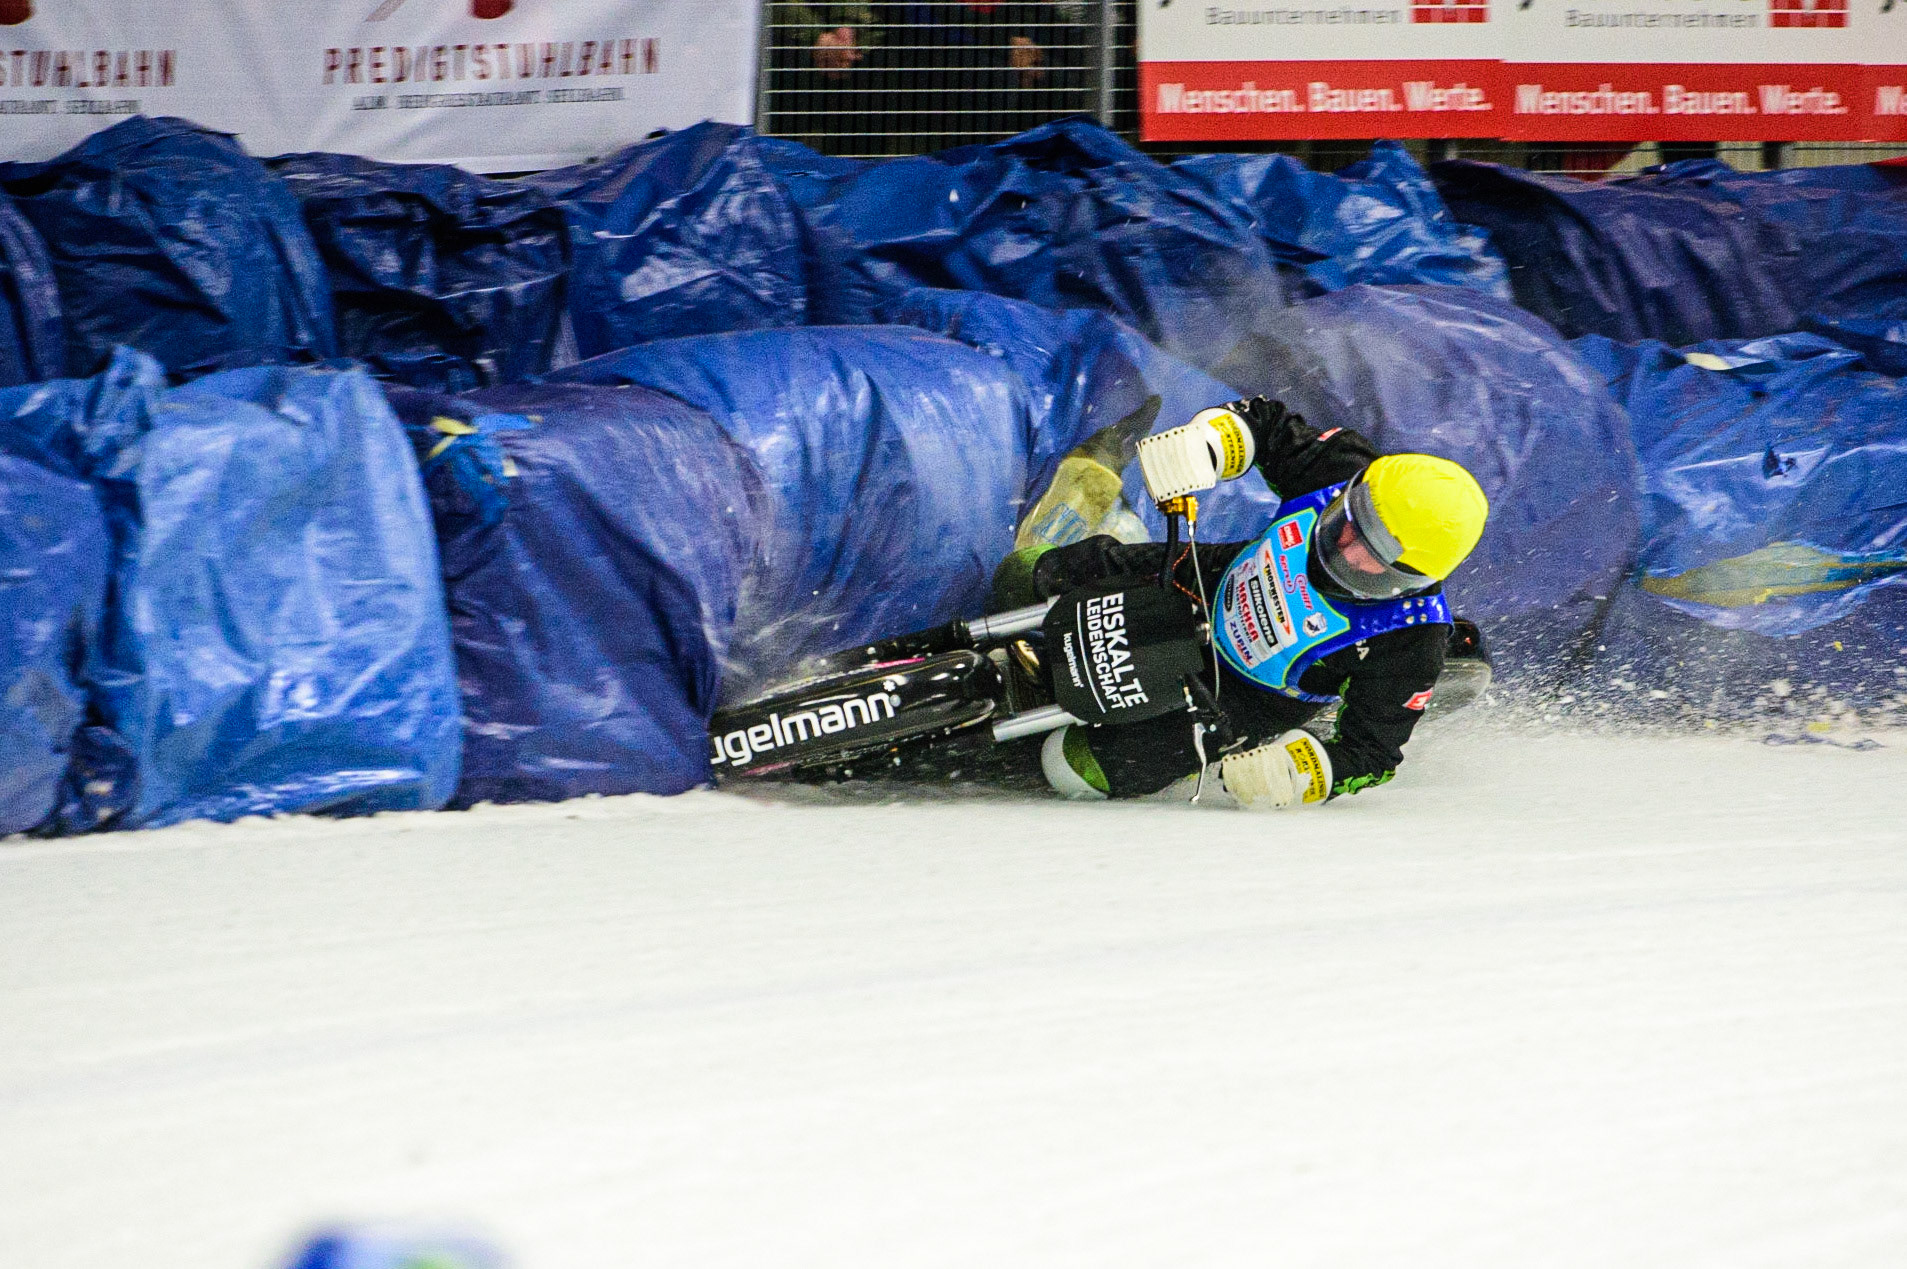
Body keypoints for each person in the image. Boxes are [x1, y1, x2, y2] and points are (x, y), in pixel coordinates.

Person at [999, 397, 1490, 811]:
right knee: (1023, 577)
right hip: (1203, 579)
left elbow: (1372, 756)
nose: (1347, 551)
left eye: (1374, 558)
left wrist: (1300, 775)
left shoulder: (1411, 639)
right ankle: (1118, 528)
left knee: (1071, 769)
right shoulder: (1341, 466)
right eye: (1349, 525)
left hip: (1237, 700)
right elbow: (1266, 424)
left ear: (1415, 579)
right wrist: (1208, 445)